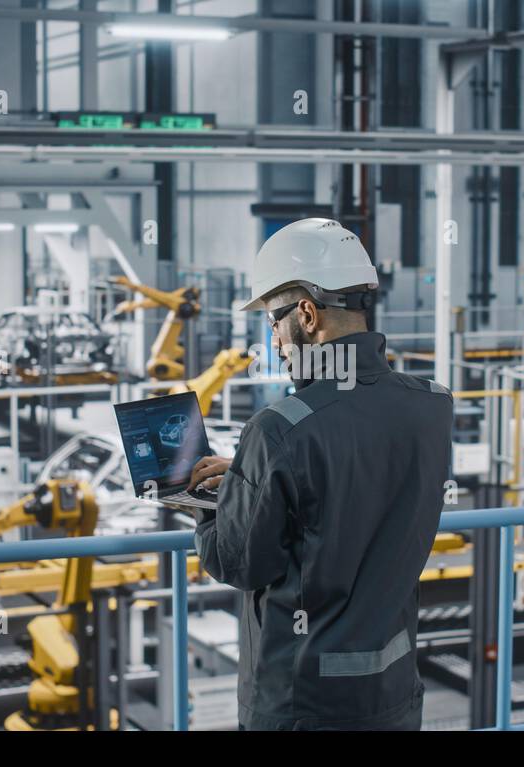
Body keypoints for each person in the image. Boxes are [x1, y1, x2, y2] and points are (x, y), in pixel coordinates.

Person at [187, 218, 454, 730]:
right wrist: (250, 475)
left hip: (302, 702)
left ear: (307, 314)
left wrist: (212, 501)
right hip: (393, 690)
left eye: (273, 320)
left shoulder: (278, 430)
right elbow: (355, 478)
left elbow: (237, 562)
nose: (274, 340)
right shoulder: (433, 405)